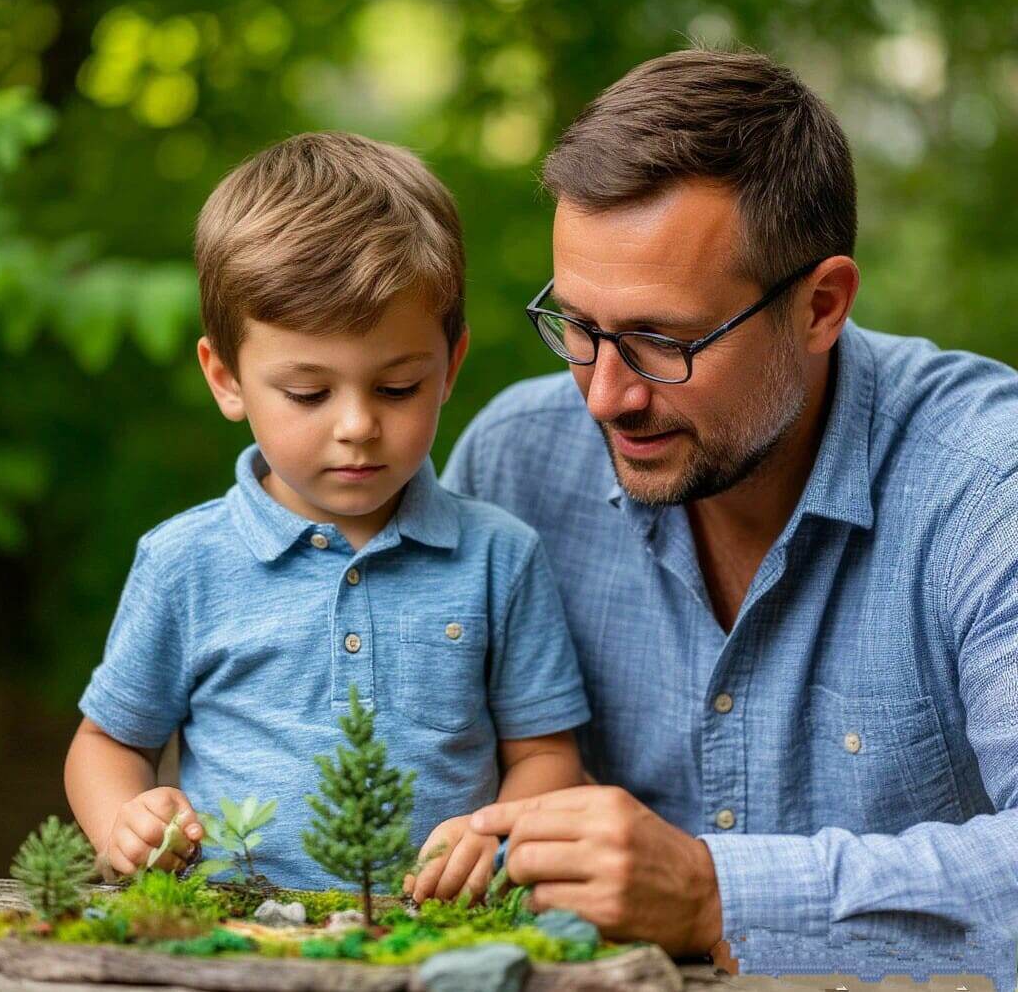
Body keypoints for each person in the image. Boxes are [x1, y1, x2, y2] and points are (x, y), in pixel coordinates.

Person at [442, 49, 1018, 984]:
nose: (604, 399)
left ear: (821, 305)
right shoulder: (515, 466)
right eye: (578, 329)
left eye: (660, 342)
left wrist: (714, 892)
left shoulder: (988, 485)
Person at [64, 131, 590, 896]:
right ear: (227, 377)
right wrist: (124, 819)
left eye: (398, 387)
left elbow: (545, 755)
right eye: (308, 393)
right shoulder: (186, 560)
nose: (356, 426)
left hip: (431, 938)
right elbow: (106, 741)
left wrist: (496, 834)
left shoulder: (499, 557)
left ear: (451, 368)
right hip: (235, 931)